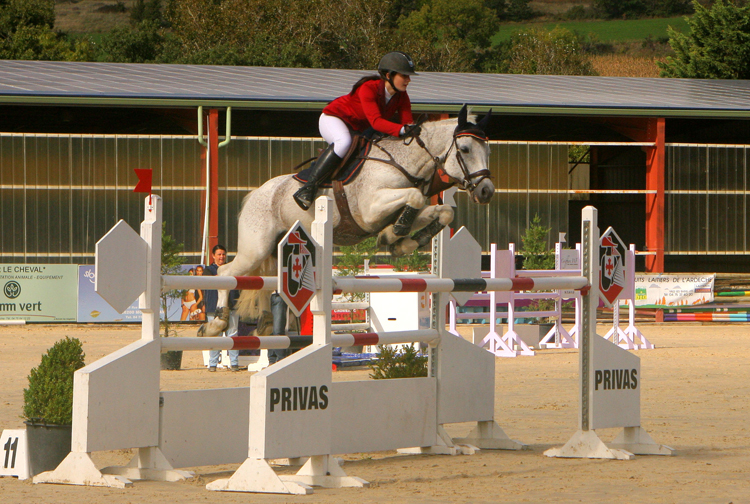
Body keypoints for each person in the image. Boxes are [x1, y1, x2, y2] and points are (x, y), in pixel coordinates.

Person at [293, 51, 420, 211]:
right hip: (334, 118)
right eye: (405, 75)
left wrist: (413, 131)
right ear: (389, 75)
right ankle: (308, 188)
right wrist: (402, 129)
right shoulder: (368, 88)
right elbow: (376, 122)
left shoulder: (402, 96)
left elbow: (407, 122)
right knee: (343, 142)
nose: (408, 80)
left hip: (358, 128)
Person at [204, 245, 240, 372]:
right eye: (219, 254)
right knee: (215, 335)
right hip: (214, 307)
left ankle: (234, 363)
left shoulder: (232, 268)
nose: (221, 257)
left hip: (232, 306)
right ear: (213, 256)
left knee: (233, 334)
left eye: (223, 254)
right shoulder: (208, 270)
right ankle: (212, 364)